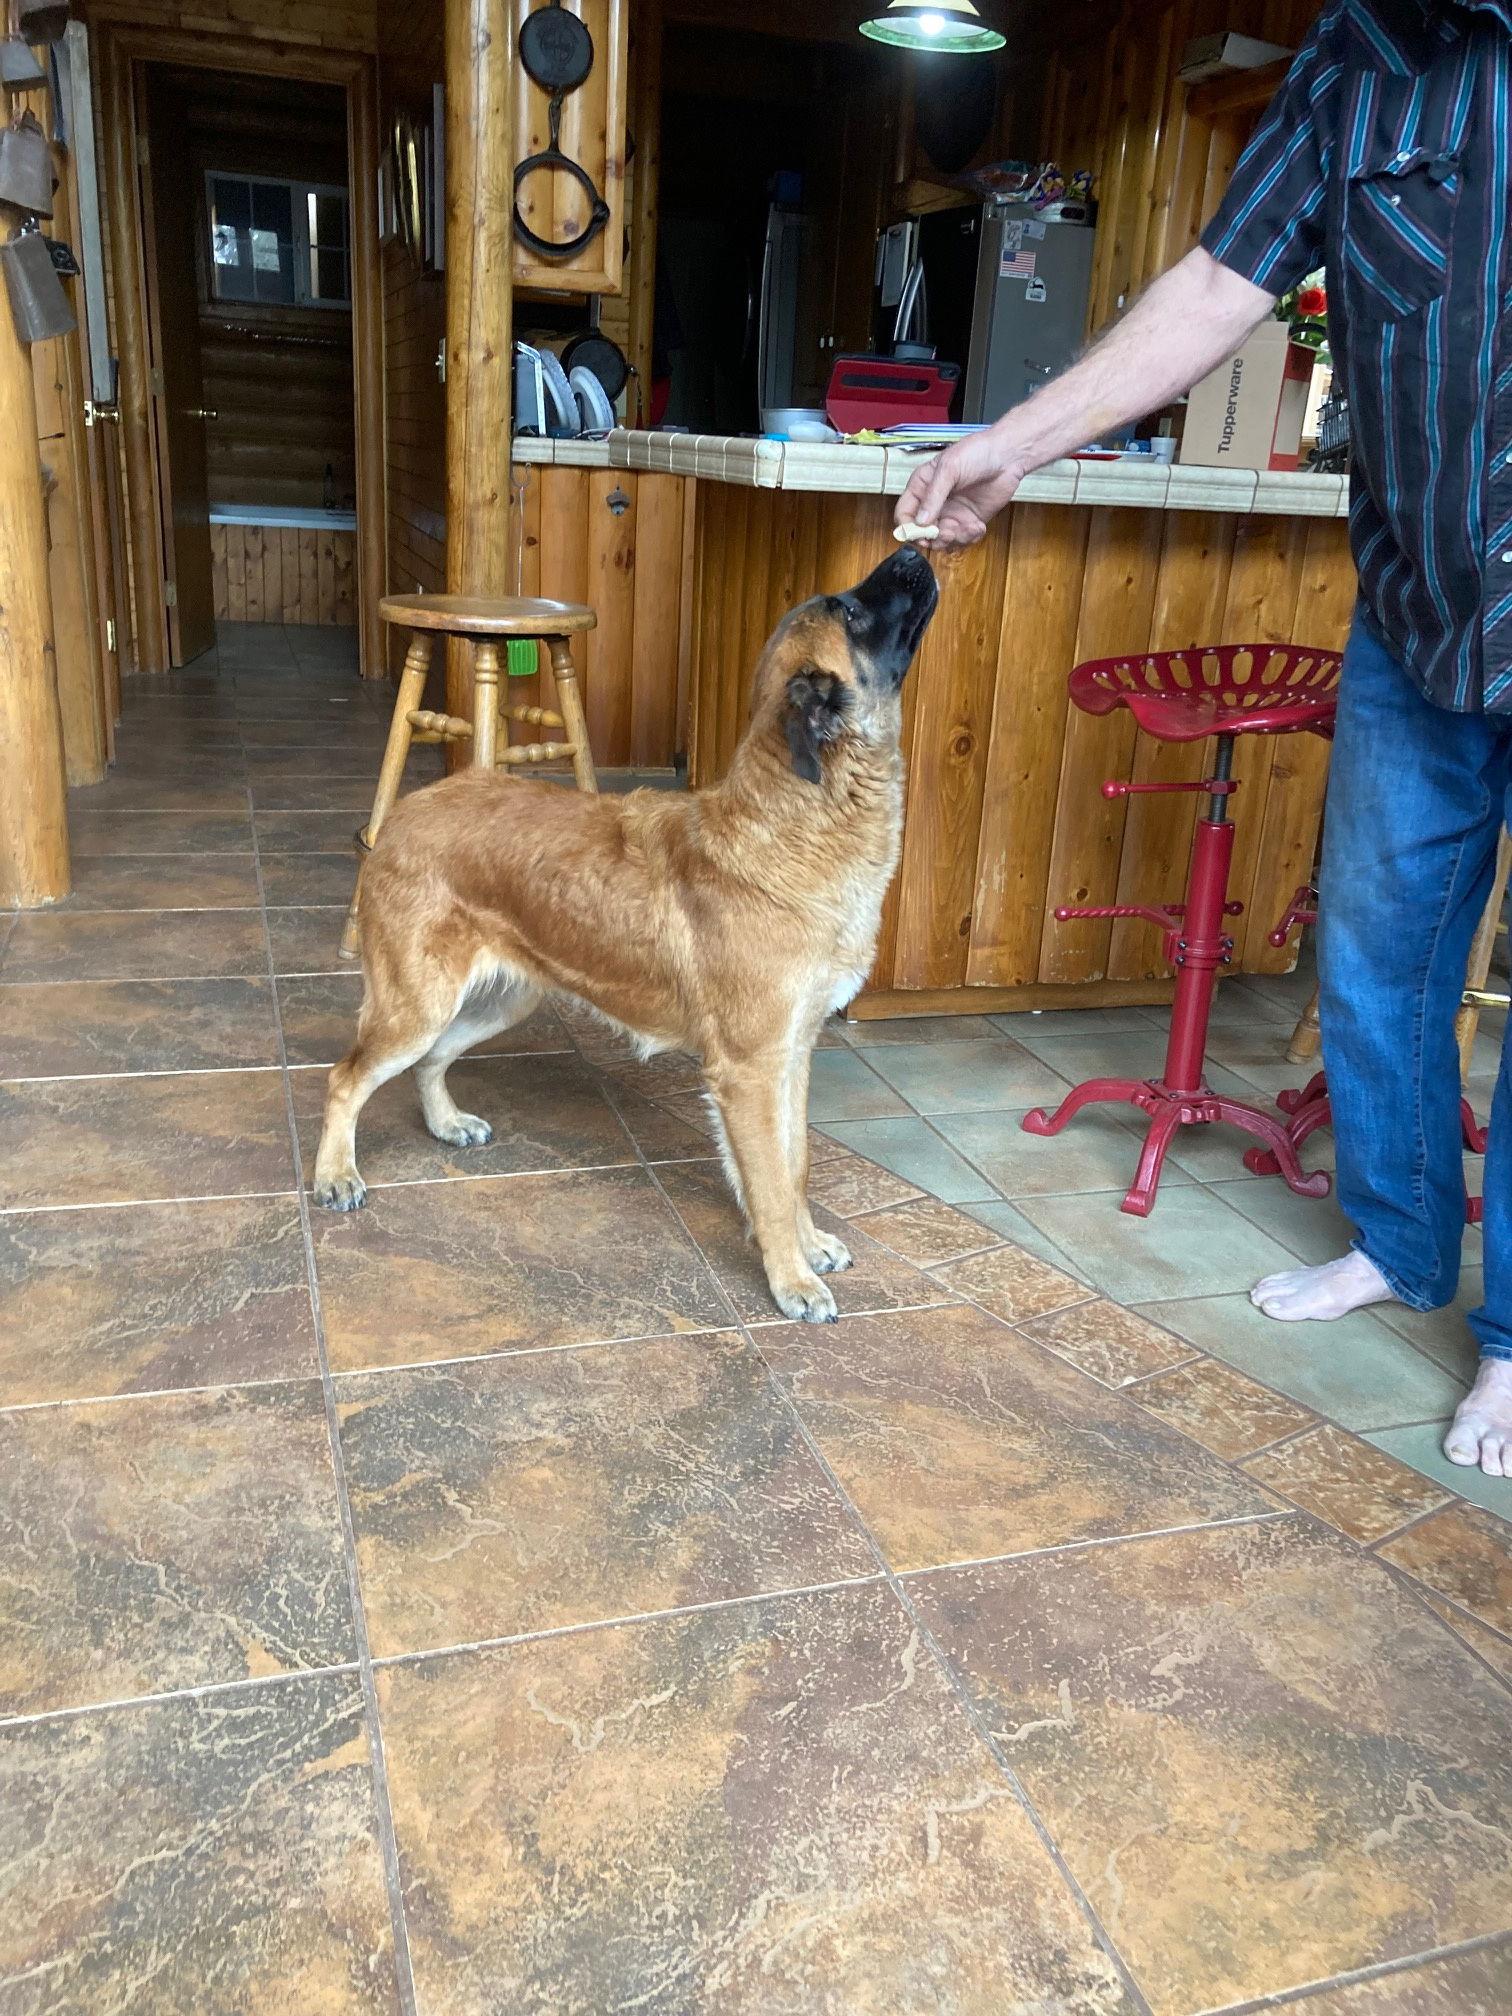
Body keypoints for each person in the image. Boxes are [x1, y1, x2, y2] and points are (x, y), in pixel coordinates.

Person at [897, 0, 1512, 1480]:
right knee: (1373, 953)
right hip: (1422, 615)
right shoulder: (1355, 63)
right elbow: (1219, 285)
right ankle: (1400, 1246)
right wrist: (1010, 443)